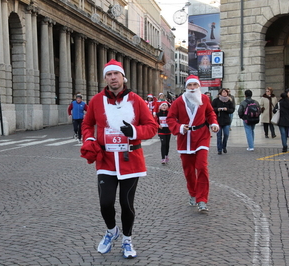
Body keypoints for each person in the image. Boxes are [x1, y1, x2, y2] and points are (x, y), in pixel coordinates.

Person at [80, 59, 157, 259]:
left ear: (123, 77)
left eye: (116, 74)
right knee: (105, 203)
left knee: (126, 203)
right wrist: (88, 138)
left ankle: (127, 239)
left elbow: (152, 127)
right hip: (105, 159)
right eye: (109, 74)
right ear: (105, 78)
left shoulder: (136, 100)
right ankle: (111, 231)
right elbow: (87, 124)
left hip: (130, 160)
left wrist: (134, 131)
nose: (113, 77)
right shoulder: (96, 100)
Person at [166, 75, 219, 212]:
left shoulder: (204, 99)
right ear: (186, 87)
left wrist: (213, 123)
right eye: (190, 85)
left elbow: (210, 113)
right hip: (185, 139)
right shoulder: (178, 102)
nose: (192, 88)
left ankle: (202, 199)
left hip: (201, 136)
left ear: (199, 86)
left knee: (201, 167)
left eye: (195, 85)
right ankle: (193, 193)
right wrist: (179, 127)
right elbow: (170, 118)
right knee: (189, 170)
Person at [212, 88, 235, 155]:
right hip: (218, 120)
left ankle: (224, 146)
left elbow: (232, 110)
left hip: (226, 120)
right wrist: (217, 109)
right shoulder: (216, 100)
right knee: (219, 136)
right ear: (220, 93)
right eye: (223, 92)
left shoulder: (229, 101)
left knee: (226, 134)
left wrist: (227, 109)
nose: (224, 93)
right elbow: (212, 109)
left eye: (226, 92)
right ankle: (219, 149)